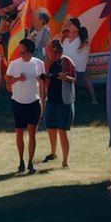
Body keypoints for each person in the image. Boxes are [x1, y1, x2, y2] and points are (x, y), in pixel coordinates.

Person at [5, 38, 46, 174]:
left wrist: (42, 102)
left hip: (34, 102)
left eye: (21, 48)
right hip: (18, 102)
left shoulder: (39, 64)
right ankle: (21, 161)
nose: (19, 50)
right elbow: (7, 83)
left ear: (28, 50)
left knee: (32, 133)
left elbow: (42, 82)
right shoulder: (14, 64)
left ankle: (30, 162)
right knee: (19, 133)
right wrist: (18, 79)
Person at [43, 39, 76, 167]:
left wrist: (66, 78)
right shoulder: (50, 63)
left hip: (64, 101)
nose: (47, 51)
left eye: (49, 49)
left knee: (62, 130)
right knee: (50, 127)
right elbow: (48, 79)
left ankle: (65, 161)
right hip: (51, 100)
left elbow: (74, 77)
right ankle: (53, 153)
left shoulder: (66, 61)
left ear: (55, 50)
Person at [63, 17, 99, 105]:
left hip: (74, 72)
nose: (68, 26)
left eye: (70, 24)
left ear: (76, 28)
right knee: (86, 75)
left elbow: (66, 58)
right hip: (80, 72)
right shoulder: (76, 41)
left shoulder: (78, 42)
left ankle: (67, 100)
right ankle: (94, 99)